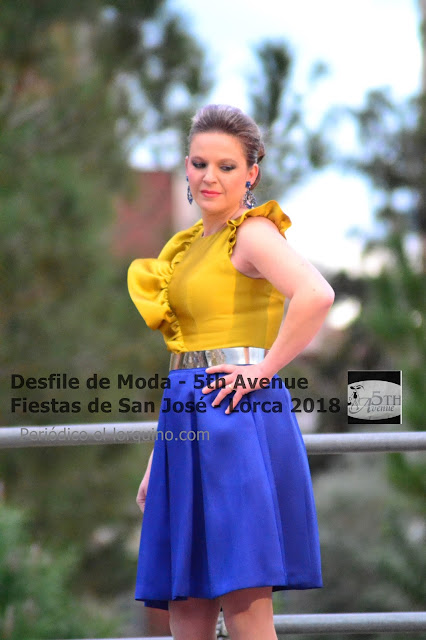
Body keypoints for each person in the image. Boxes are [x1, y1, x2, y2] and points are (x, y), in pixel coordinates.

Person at [127, 103, 335, 640]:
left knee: (244, 606)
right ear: (186, 167)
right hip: (186, 417)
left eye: (226, 166)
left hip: (234, 412)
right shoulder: (189, 245)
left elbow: (316, 295)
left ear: (251, 174)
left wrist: (263, 370)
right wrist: (159, 456)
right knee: (186, 608)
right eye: (199, 164)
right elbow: (185, 351)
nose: (209, 177)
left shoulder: (253, 232)